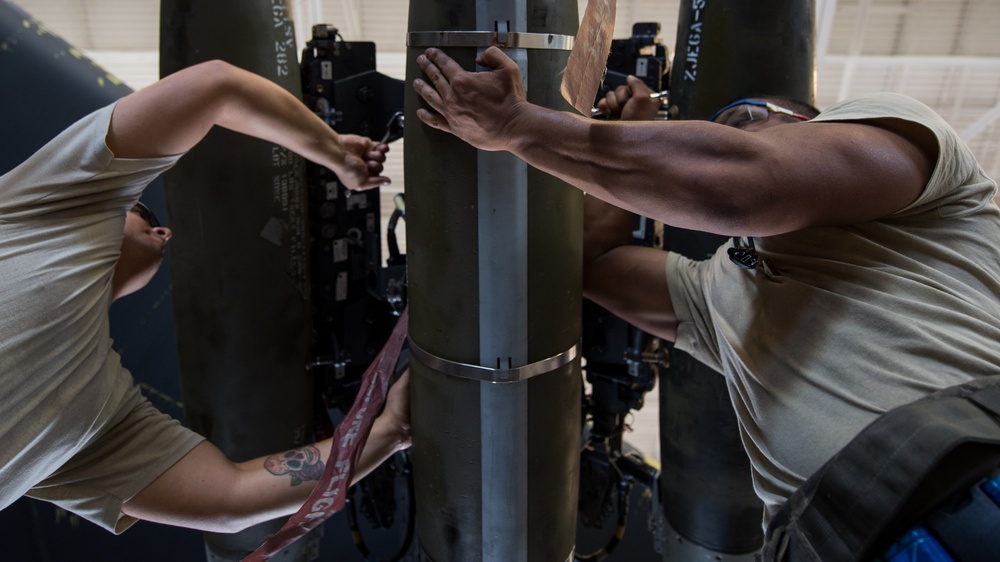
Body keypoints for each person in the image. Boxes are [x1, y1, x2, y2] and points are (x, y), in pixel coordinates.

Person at [412, 46, 1000, 526]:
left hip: (965, 477)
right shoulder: (718, 289)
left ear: (810, 123)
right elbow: (595, 261)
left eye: (744, 121)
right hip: (827, 537)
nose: (719, 136)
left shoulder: (912, 148)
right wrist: (619, 137)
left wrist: (521, 127)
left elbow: (744, 183)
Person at [0, 59, 411, 536]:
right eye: (143, 210)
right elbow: (214, 86)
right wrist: (334, 152)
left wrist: (388, 434)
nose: (164, 229)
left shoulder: (100, 421)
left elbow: (230, 498)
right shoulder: (37, 208)